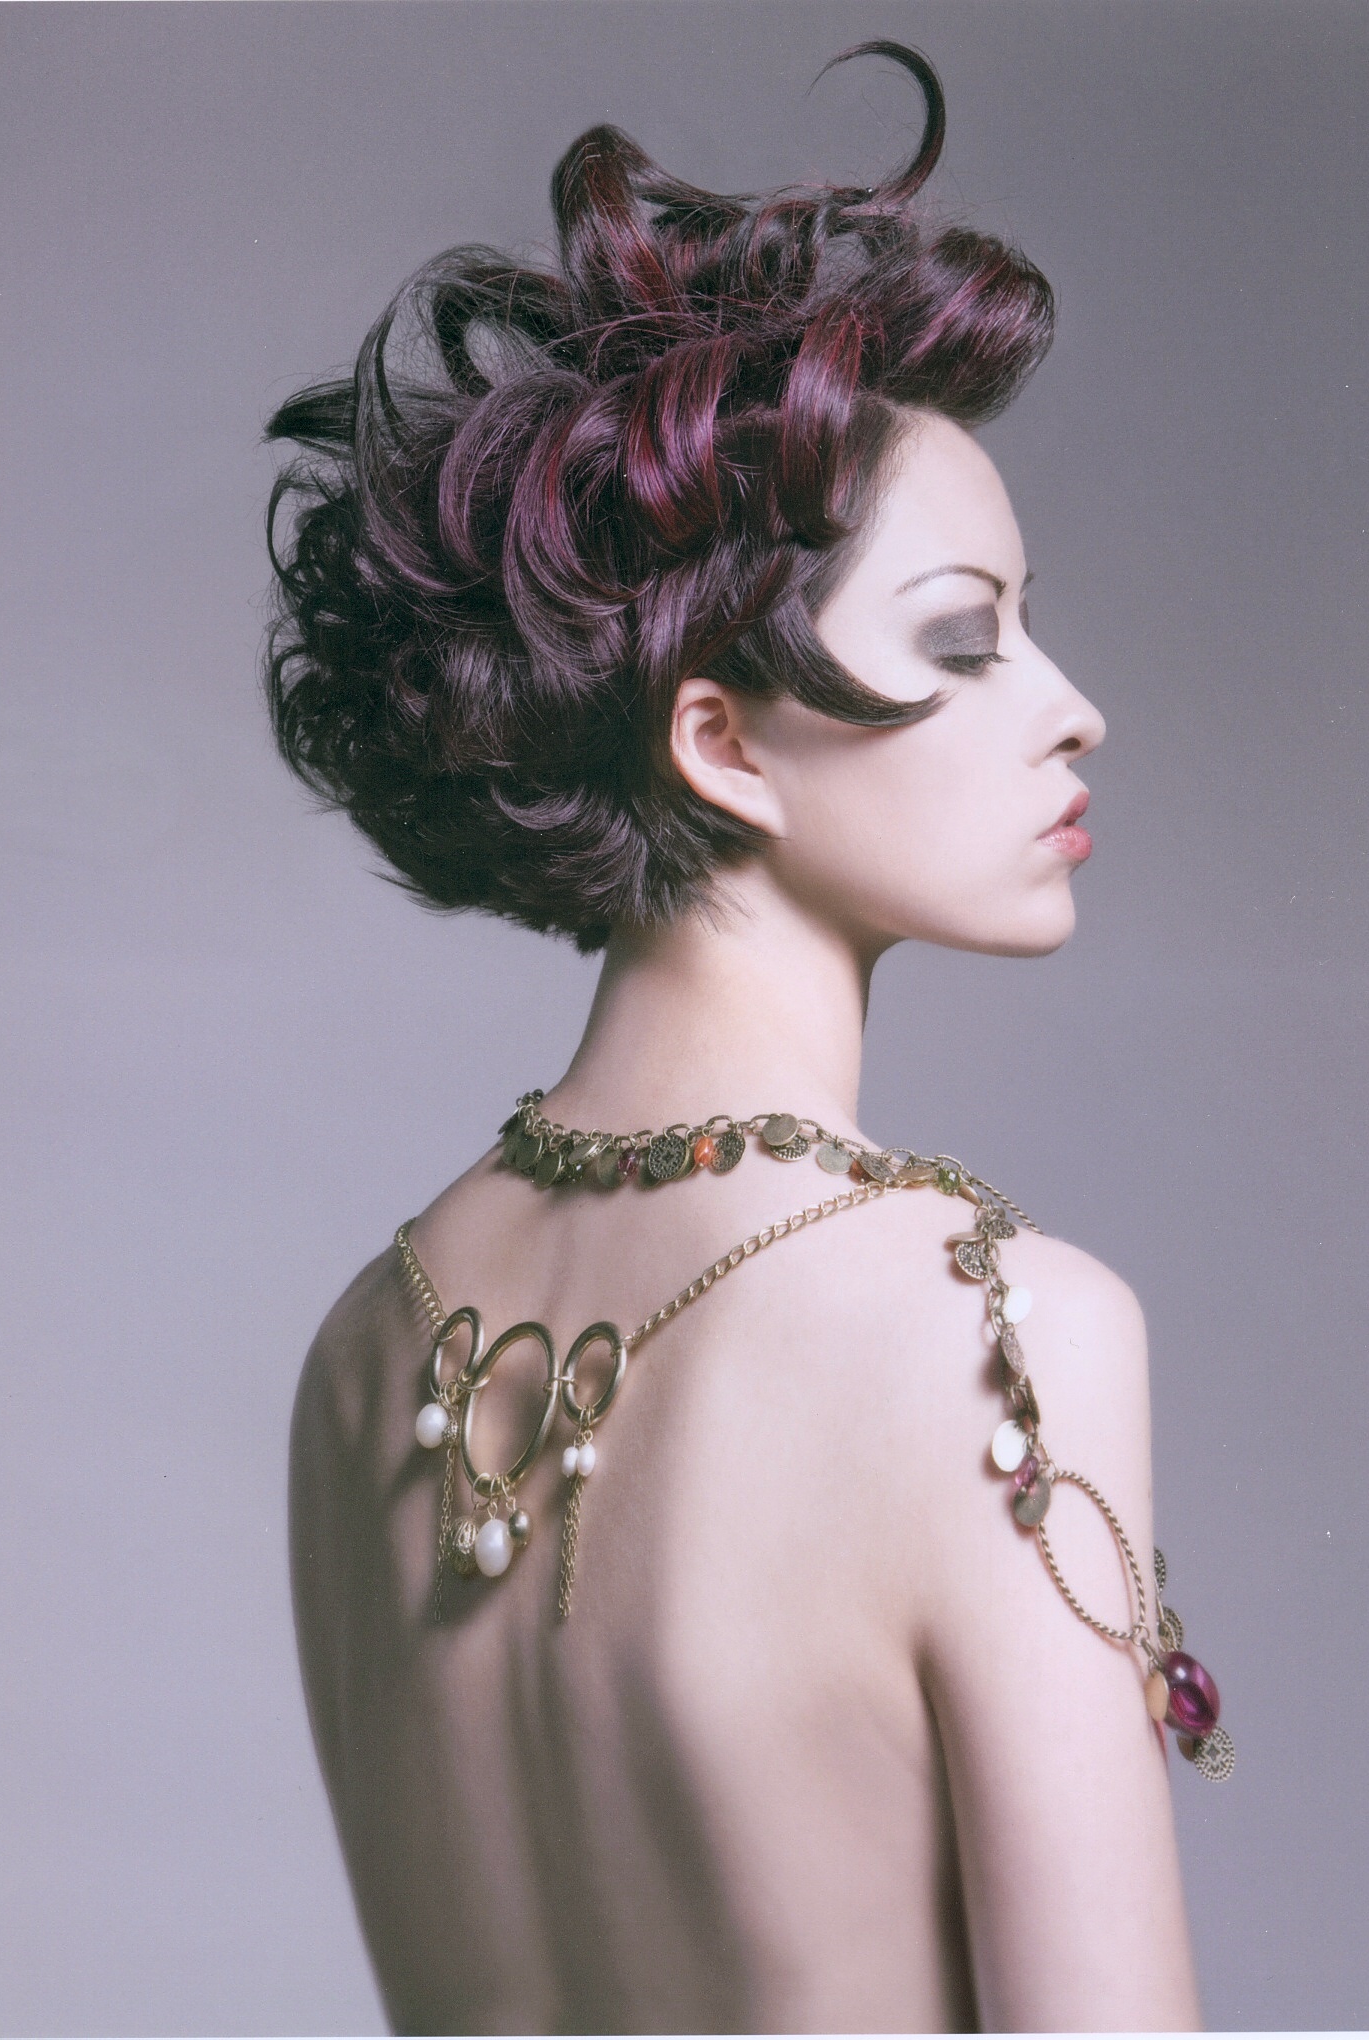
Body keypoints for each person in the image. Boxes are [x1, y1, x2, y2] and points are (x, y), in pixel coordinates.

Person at [268, 42, 1213, 2033]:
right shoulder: (1002, 1332)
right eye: (966, 637)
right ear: (719, 740)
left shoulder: (366, 1354)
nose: (1071, 706)